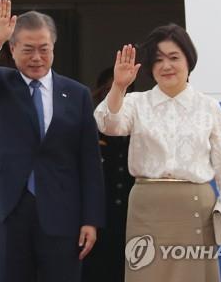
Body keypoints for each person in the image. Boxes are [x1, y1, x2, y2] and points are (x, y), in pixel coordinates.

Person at [0, 0, 105, 282]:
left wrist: (91, 219)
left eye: (44, 49)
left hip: (62, 209)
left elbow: (89, 160)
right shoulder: (1, 85)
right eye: (28, 50)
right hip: (9, 207)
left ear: (53, 48)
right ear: (13, 49)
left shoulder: (77, 94)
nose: (36, 58)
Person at [94, 23, 221, 282]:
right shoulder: (136, 102)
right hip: (147, 207)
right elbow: (108, 124)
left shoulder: (208, 107)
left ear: (189, 61)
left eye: (174, 58)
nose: (166, 66)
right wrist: (118, 87)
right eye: (158, 60)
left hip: (196, 207)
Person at [82, 67, 134, 282]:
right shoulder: (88, 127)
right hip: (99, 217)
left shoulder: (138, 127)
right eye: (109, 89)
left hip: (131, 218)